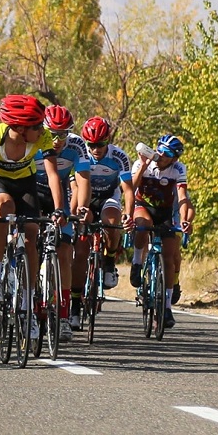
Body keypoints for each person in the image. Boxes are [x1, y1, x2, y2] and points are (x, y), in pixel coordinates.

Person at [0, 94, 66, 342]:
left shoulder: (42, 137)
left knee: (32, 231)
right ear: (21, 129)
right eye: (36, 126)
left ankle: (27, 305)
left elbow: (53, 175)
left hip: (25, 182)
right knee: (4, 207)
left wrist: (59, 209)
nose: (42, 131)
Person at [70, 116, 134, 329]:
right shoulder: (80, 155)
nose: (96, 149)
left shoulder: (119, 156)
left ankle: (108, 262)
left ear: (108, 140)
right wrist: (78, 214)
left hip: (108, 197)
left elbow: (127, 189)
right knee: (80, 251)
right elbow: (76, 188)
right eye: (91, 145)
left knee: (112, 222)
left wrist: (129, 213)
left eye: (101, 144)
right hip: (85, 198)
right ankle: (75, 306)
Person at [34, 105, 90, 342]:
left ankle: (64, 315)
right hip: (32, 193)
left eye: (63, 134)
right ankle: (29, 303)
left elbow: (83, 179)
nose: (57, 140)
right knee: (30, 245)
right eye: (53, 134)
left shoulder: (77, 146)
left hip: (59, 199)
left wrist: (83, 208)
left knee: (65, 252)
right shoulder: (34, 142)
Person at [129, 134, 194, 329]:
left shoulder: (178, 169)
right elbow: (131, 187)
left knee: (169, 255)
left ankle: (166, 307)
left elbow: (182, 197)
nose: (161, 156)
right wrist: (142, 165)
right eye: (159, 150)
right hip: (143, 206)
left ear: (174, 158)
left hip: (166, 211)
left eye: (166, 154)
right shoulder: (143, 162)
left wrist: (184, 220)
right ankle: (137, 261)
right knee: (143, 225)